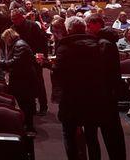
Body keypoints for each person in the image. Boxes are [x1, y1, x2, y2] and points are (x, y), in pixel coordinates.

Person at [53, 16, 115, 160]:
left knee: (70, 137)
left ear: (68, 30)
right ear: (84, 28)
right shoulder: (96, 45)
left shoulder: (64, 47)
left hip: (71, 100)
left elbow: (61, 76)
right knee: (92, 137)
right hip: (92, 98)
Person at [85, 13, 127, 159]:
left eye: (89, 25)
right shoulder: (105, 41)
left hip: (106, 95)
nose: (87, 28)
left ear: (97, 24)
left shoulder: (103, 43)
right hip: (109, 94)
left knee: (112, 135)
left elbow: (101, 71)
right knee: (113, 134)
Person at [0, 28, 37, 132]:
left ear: (9, 37)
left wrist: (0, 63)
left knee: (25, 103)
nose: (6, 42)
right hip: (22, 78)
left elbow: (16, 62)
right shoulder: (18, 44)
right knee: (23, 103)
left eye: (5, 40)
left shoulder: (20, 45)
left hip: (24, 80)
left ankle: (29, 127)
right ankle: (25, 124)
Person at [11, 8, 48, 115]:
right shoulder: (13, 28)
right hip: (21, 61)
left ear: (21, 17)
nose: (13, 21)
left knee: (39, 83)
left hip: (35, 59)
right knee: (27, 85)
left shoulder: (33, 25)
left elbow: (43, 41)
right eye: (12, 19)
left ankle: (43, 107)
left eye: (14, 19)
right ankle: (31, 107)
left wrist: (43, 56)